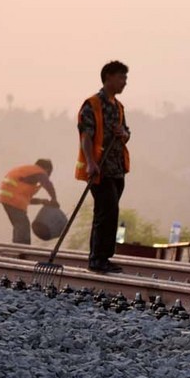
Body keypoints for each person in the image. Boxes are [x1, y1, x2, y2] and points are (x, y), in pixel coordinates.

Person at [77, 60, 130, 274]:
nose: (124, 83)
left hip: (116, 169)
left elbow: (126, 134)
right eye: (121, 78)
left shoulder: (118, 107)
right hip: (100, 169)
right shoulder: (92, 104)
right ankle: (97, 258)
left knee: (111, 212)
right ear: (108, 77)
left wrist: (123, 134)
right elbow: (86, 135)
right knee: (105, 211)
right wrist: (90, 162)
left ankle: (103, 257)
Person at [0, 159, 57, 244]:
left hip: (7, 198)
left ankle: (17, 248)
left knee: (19, 224)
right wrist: (54, 199)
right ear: (46, 169)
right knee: (22, 224)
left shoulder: (28, 174)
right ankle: (21, 249)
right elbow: (48, 185)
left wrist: (41, 201)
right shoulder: (38, 170)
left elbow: (26, 199)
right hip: (12, 199)